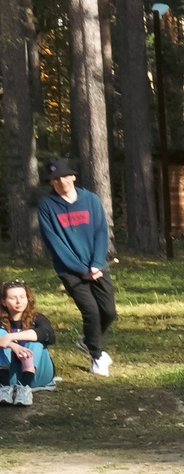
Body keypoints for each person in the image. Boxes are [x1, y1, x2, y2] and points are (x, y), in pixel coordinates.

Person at [35, 158, 114, 376]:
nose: (61, 182)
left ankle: (89, 338)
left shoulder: (91, 199)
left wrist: (97, 264)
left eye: (63, 176)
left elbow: (100, 232)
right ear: (51, 182)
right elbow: (54, 241)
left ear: (73, 177)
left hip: (97, 266)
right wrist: (81, 269)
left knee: (108, 310)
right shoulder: (47, 206)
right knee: (90, 310)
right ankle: (97, 357)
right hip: (69, 270)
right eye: (55, 179)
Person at [1, 280, 56, 406]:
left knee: (34, 339)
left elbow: (48, 335)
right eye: (13, 298)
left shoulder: (38, 318)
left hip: (38, 374)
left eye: (22, 297)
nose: (19, 301)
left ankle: (25, 389)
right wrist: (12, 345)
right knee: (0, 333)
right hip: (10, 374)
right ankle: (3, 388)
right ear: (4, 302)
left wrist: (10, 337)